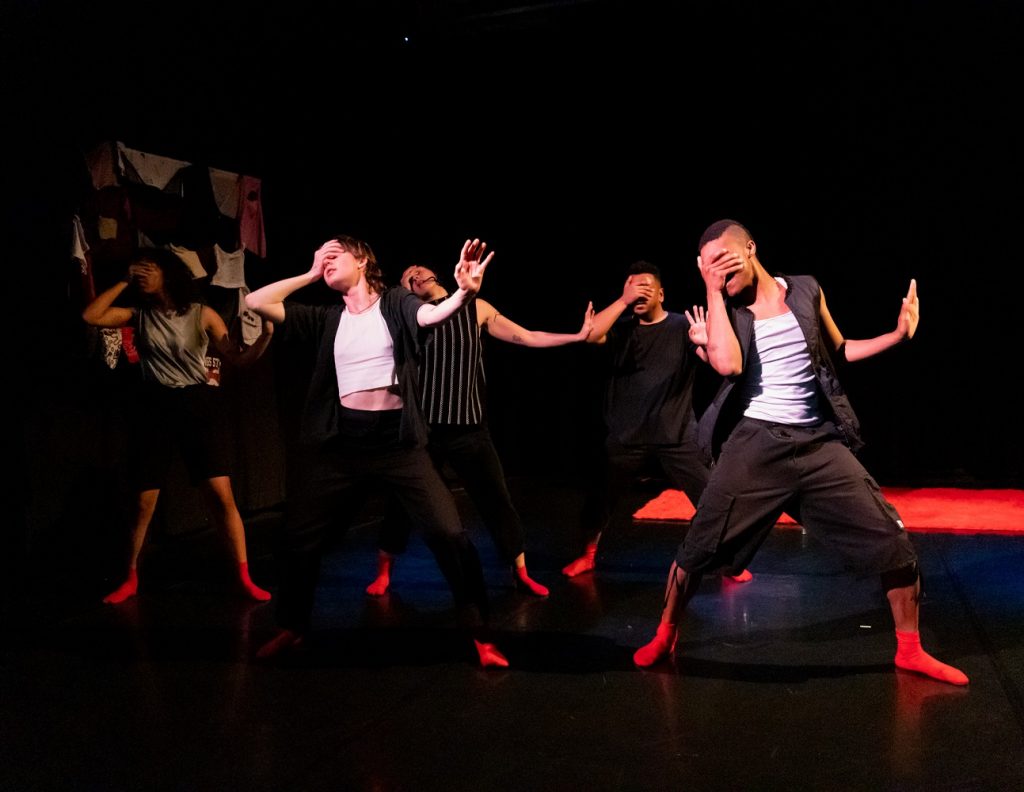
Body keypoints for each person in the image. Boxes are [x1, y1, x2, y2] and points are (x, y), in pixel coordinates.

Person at [632, 219, 967, 686]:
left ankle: (909, 650)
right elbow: (728, 364)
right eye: (708, 269)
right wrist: (712, 294)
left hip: (817, 443)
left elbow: (840, 350)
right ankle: (665, 634)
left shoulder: (807, 289)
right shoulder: (727, 308)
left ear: (750, 248)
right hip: (756, 445)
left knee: (892, 541)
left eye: (724, 262)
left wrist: (896, 335)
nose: (719, 275)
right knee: (698, 547)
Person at [244, 235, 508, 667]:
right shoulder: (327, 318)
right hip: (343, 445)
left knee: (448, 534)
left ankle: (480, 634)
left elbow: (430, 315)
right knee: (298, 539)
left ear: (363, 261)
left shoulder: (396, 303)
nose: (326, 261)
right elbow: (255, 301)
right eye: (321, 256)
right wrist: (310, 272)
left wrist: (463, 293)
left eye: (334, 254)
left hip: (396, 443)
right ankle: (292, 625)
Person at [364, 263, 594, 598]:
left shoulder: (476, 307)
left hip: (469, 430)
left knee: (496, 500)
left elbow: (527, 336)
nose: (414, 274)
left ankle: (520, 572)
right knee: (402, 504)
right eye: (407, 276)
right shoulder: (408, 315)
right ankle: (383, 573)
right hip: (423, 432)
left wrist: (576, 336)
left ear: (435, 274)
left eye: (419, 269)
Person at [82, 247, 274, 604]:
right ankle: (130, 578)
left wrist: (264, 337)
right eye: (137, 269)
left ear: (168, 273)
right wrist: (123, 280)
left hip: (195, 404)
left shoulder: (202, 314)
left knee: (220, 495)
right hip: (154, 407)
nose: (141, 274)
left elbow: (238, 359)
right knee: (144, 502)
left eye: (148, 268)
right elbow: (91, 316)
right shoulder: (138, 314)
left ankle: (244, 577)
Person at [561, 261, 751, 583]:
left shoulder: (681, 326)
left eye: (646, 287)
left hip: (676, 435)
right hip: (626, 435)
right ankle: (588, 554)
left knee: (711, 497)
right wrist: (622, 300)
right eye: (632, 287)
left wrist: (705, 342)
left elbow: (716, 363)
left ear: (661, 294)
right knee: (599, 499)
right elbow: (589, 335)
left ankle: (727, 560)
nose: (639, 293)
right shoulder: (620, 329)